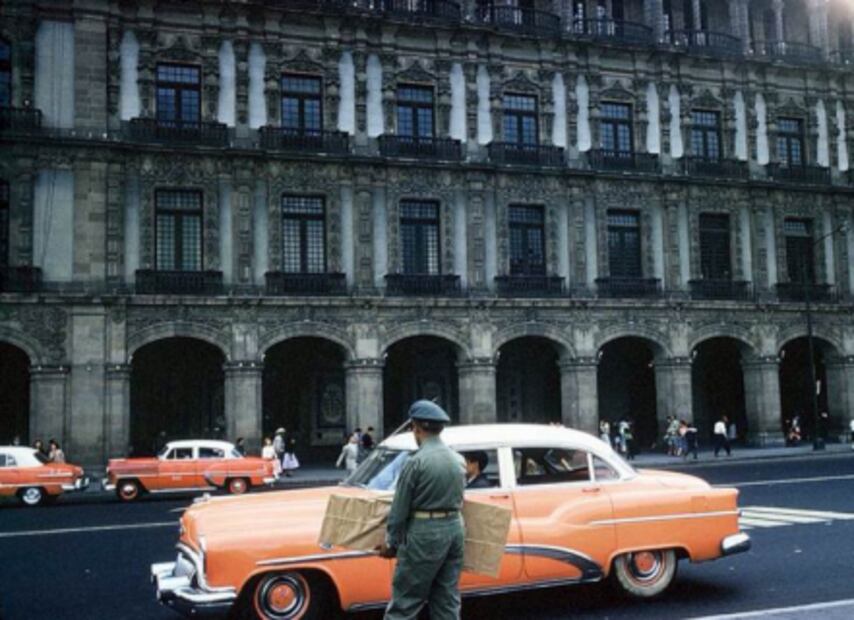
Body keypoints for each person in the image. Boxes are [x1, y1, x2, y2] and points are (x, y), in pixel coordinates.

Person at [378, 400, 466, 620]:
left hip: (424, 533)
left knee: (406, 602)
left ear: (416, 428)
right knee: (446, 599)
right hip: (454, 529)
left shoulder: (415, 462)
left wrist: (391, 542)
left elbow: (400, 509)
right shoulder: (458, 459)